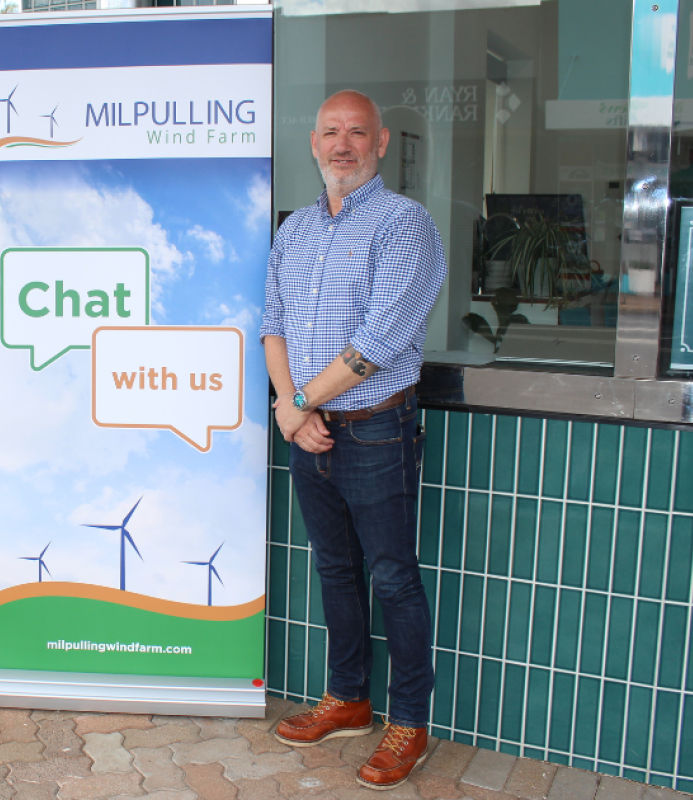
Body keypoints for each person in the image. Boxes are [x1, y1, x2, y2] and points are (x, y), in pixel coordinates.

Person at [261, 90, 447, 790]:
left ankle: (408, 722)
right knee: (334, 570)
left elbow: (375, 345)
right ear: (313, 143)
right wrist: (290, 407)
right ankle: (349, 699)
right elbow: (272, 322)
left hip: (376, 431)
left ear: (382, 142)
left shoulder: (406, 226)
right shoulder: (295, 231)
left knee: (394, 578)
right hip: (308, 432)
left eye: (357, 133)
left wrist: (299, 403)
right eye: (331, 132)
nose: (343, 144)